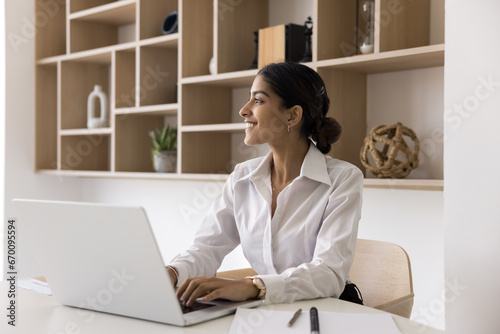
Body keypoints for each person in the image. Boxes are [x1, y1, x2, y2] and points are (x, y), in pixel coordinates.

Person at [167, 62, 363, 307]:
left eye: (258, 100)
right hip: (263, 310)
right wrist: (172, 272)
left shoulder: (343, 180)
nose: (243, 110)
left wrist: (255, 286)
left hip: (321, 311)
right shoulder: (242, 177)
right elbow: (207, 248)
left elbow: (328, 273)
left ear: (292, 115)